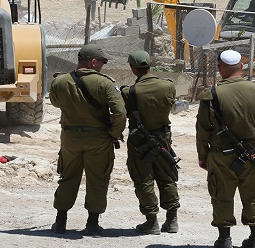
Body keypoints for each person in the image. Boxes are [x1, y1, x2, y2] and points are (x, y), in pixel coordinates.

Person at [195, 49, 255, 248]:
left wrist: (203, 156)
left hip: (220, 156)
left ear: (219, 68)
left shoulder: (212, 95)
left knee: (221, 195)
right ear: (241, 66)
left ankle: (224, 240)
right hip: (253, 155)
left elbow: (202, 130)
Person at [49, 44, 126, 236]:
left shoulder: (60, 81)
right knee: (98, 179)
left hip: (70, 138)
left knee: (68, 176)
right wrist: (114, 133)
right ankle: (92, 224)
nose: (103, 65)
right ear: (93, 62)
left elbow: (55, 102)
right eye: (102, 62)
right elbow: (120, 113)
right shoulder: (105, 83)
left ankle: (60, 222)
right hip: (98, 139)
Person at [120, 50, 180, 235]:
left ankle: (152, 221)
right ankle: (172, 220)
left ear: (132, 68)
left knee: (143, 180)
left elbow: (122, 114)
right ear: (150, 65)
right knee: (167, 178)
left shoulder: (129, 92)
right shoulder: (168, 86)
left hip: (139, 142)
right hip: (163, 140)